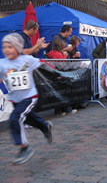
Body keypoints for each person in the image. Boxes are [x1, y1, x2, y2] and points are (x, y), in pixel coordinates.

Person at [0, 33, 56, 165]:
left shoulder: (27, 59)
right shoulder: (2, 63)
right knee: (29, 118)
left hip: (29, 96)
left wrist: (55, 72)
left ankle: (24, 147)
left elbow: (42, 63)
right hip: (14, 98)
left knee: (15, 117)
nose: (7, 50)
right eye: (4, 47)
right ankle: (45, 127)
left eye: (10, 47)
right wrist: (3, 85)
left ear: (18, 48)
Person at [47, 39, 77, 115]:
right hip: (59, 74)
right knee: (64, 92)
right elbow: (62, 65)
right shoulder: (58, 54)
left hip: (54, 74)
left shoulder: (52, 53)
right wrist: (64, 56)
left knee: (58, 93)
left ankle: (59, 111)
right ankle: (67, 110)